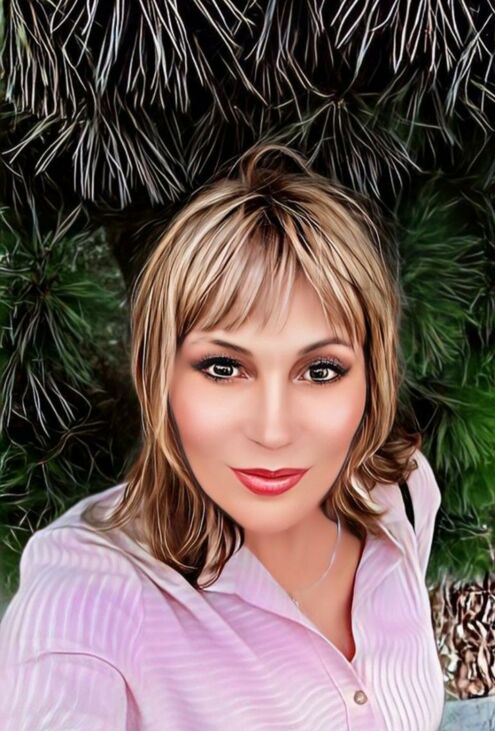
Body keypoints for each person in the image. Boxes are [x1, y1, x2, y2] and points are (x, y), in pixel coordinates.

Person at [0, 143, 444, 730]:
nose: (273, 430)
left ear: (371, 379)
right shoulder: (89, 595)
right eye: (224, 367)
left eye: (320, 370)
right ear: (160, 377)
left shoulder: (399, 492)